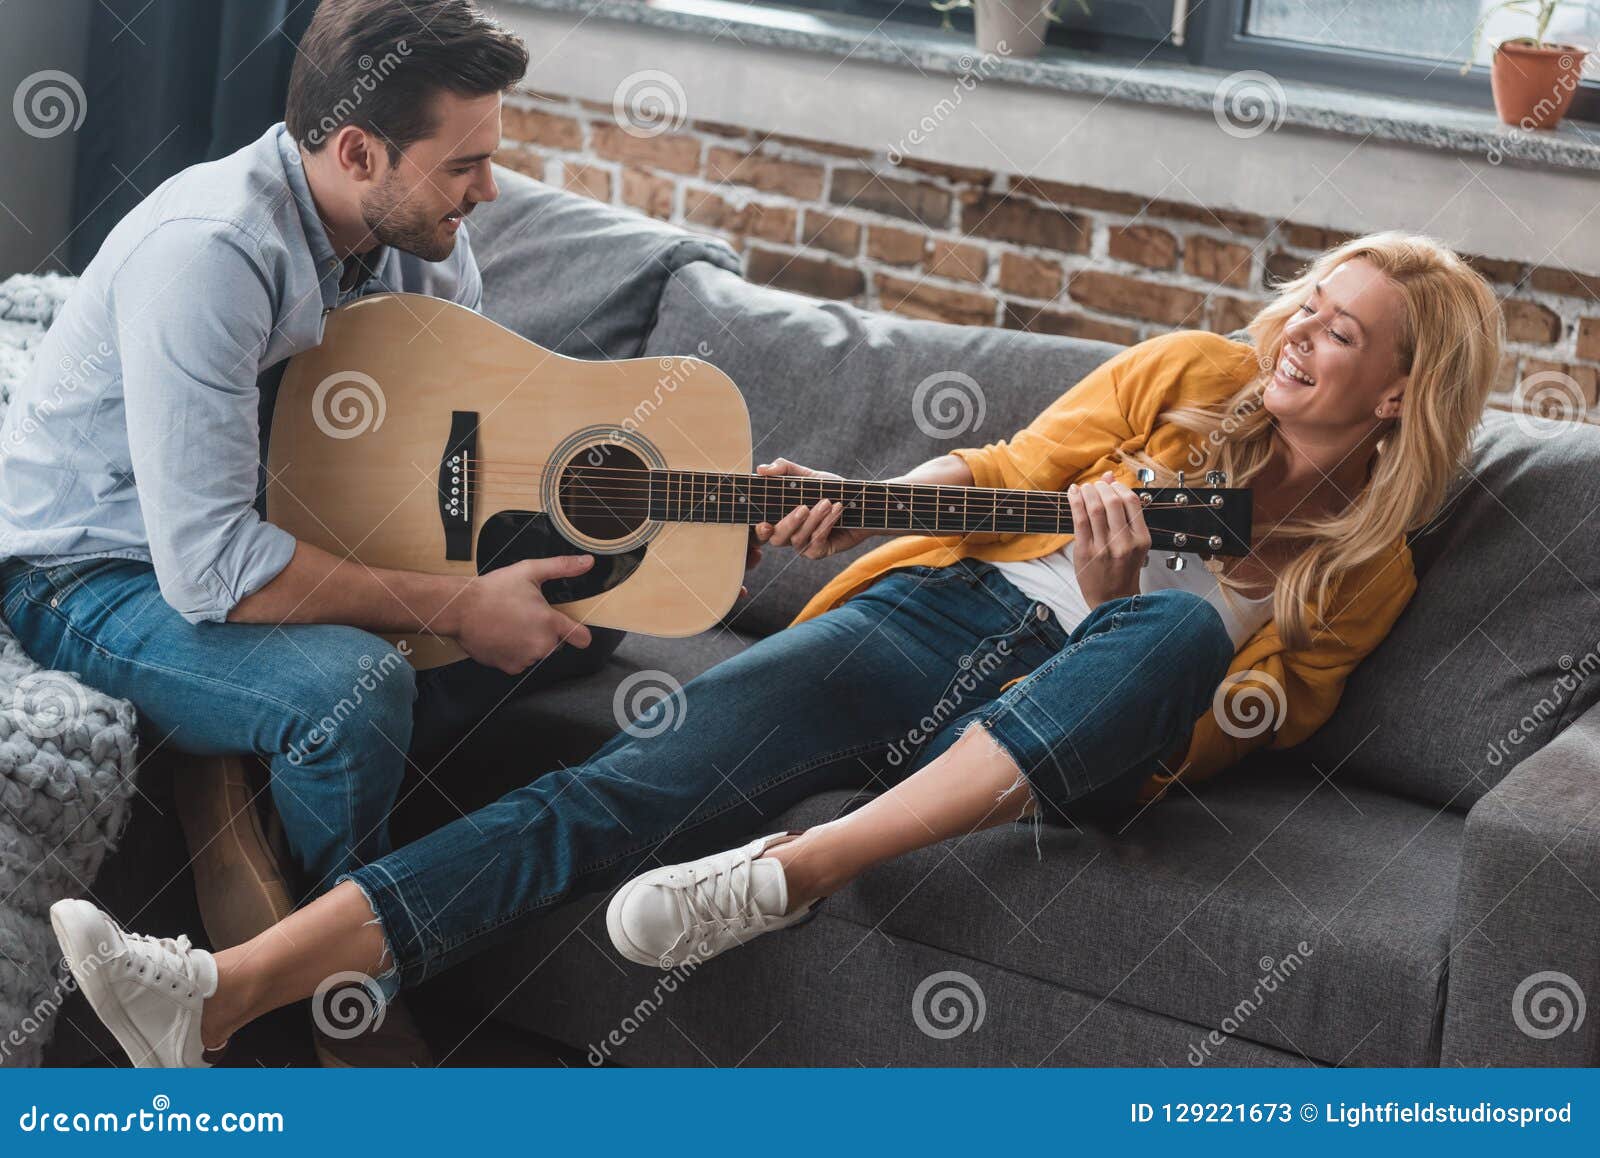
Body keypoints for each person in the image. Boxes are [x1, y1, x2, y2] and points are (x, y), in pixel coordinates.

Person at [51, 233, 1503, 1066]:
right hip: (936, 620)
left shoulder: (1361, 569)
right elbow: (1000, 465)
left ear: (1400, 392)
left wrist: (1128, 598)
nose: (1299, 325)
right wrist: (868, 508)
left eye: (1345, 327)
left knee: (1175, 627)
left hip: (1076, 745)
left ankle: (789, 871)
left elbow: (1223, 727)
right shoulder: (1189, 377)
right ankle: (215, 990)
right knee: (608, 792)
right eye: (1307, 295)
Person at [2, 0, 691, 1062]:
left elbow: (460, 442)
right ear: (360, 150)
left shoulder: (417, 245)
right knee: (344, 694)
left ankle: (250, 783)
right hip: (92, 567)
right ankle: (334, 1002)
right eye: (465, 163)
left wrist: (688, 493)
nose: (491, 189)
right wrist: (458, 604)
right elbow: (212, 570)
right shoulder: (213, 256)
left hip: (284, 524)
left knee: (578, 614)